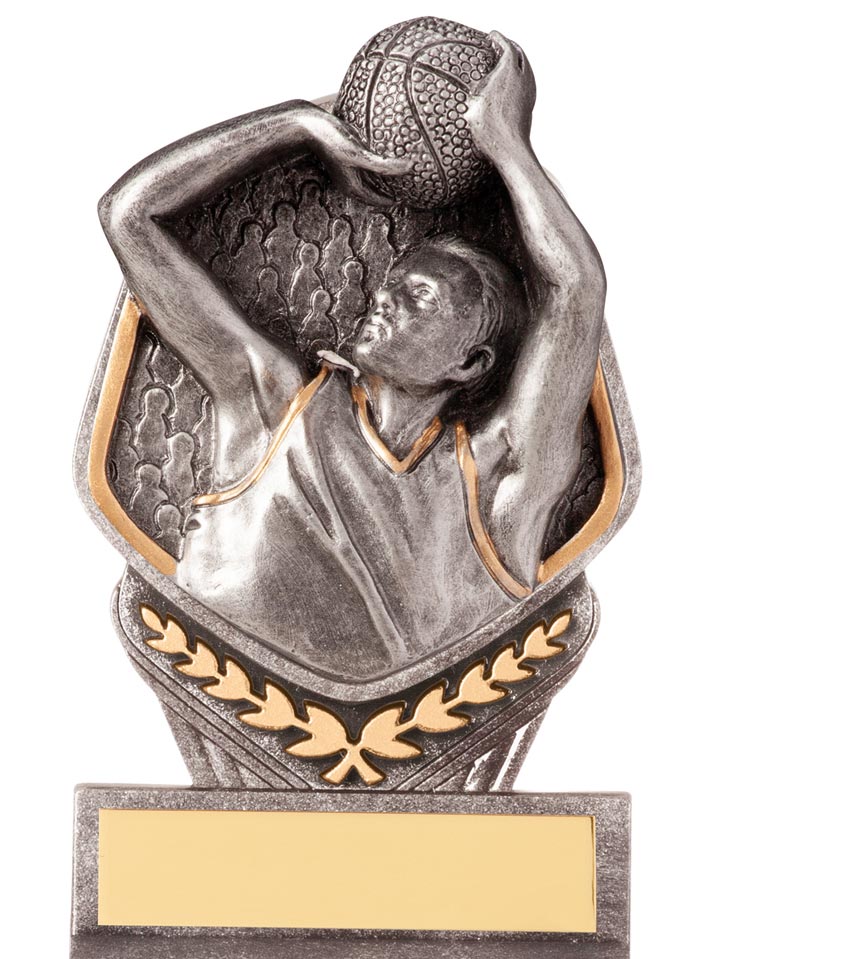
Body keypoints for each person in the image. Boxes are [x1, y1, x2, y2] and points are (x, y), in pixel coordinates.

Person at [98, 33, 606, 675]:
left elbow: (575, 289)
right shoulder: (275, 408)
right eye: (390, 284)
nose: (383, 298)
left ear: (471, 363)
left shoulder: (498, 479)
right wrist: (295, 125)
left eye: (419, 296)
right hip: (221, 711)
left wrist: (507, 144)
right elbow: (129, 215)